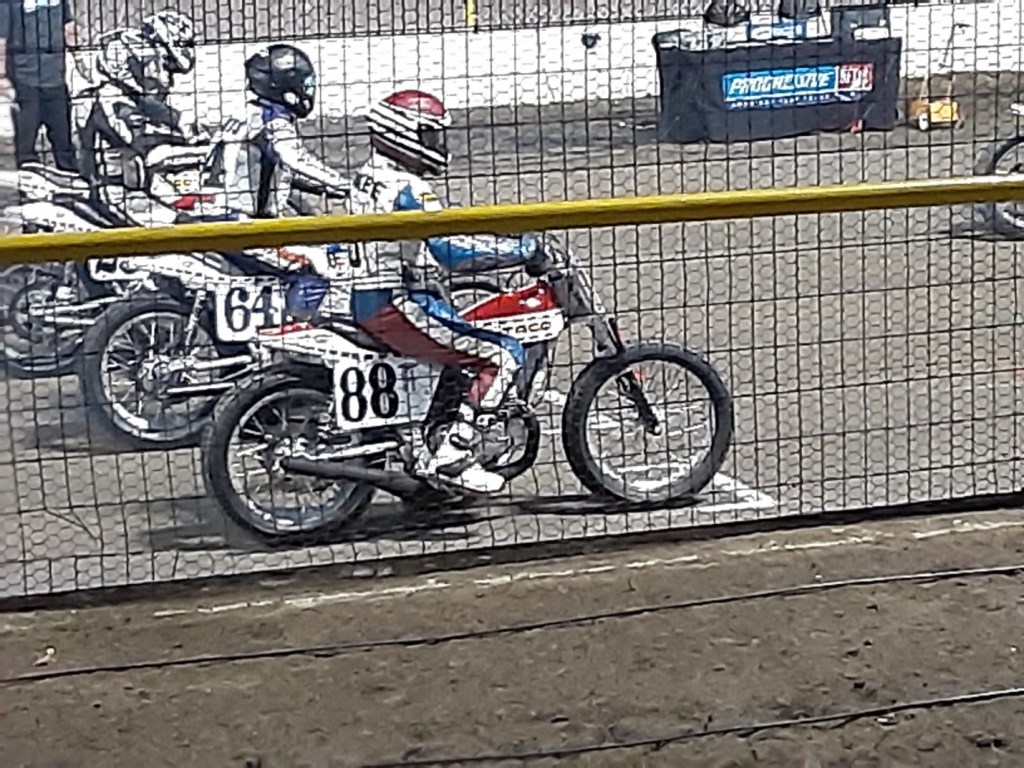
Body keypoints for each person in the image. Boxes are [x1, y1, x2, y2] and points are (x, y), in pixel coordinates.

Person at [347, 89, 540, 495]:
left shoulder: (367, 176)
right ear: (403, 135)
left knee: (457, 349)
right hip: (396, 302)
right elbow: (451, 250)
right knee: (503, 354)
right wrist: (520, 250)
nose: (437, 145)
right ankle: (454, 456)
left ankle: (430, 443)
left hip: (369, 297)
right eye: (430, 135)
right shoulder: (408, 189)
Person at [214, 43, 352, 272]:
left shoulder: (242, 115)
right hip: (242, 227)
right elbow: (296, 160)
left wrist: (331, 189)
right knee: (313, 269)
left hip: (216, 217)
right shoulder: (273, 121)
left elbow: (281, 173)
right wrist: (344, 185)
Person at [73, 10, 204, 226]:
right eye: (166, 65)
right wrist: (194, 145)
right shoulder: (110, 99)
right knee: (185, 227)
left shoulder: (134, 100)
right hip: (116, 194)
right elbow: (143, 143)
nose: (167, 79)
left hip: (140, 187)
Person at [0, 0, 87, 171]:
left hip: (56, 77)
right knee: (26, 143)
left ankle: (69, 178)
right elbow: (1, 39)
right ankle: (28, 178)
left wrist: (81, 59)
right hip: (24, 79)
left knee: (63, 140)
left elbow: (68, 26)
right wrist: (2, 75)